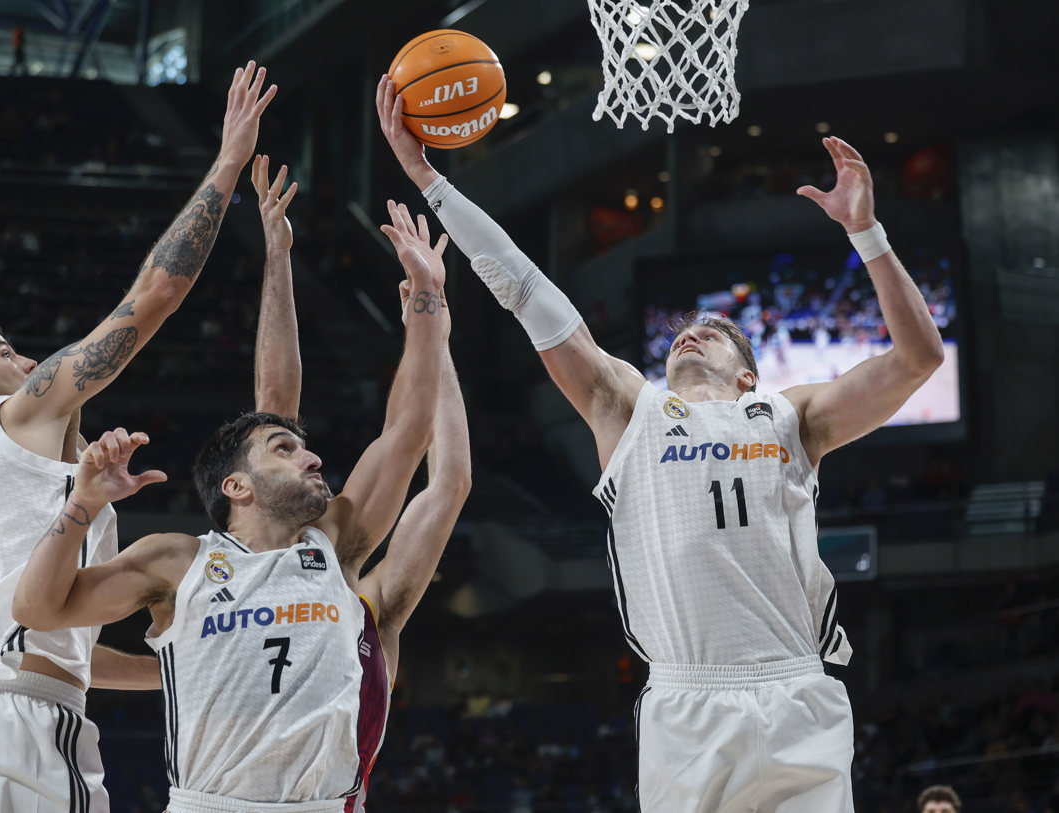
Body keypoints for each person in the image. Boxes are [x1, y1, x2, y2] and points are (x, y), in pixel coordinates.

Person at [377, 77, 945, 812]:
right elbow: (525, 286)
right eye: (683, 330)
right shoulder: (628, 408)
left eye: (713, 330)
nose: (690, 330)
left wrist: (867, 234)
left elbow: (918, 359)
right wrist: (430, 178)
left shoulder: (787, 415)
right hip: (687, 697)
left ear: (747, 375)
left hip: (797, 686)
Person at [0, 63, 277, 813]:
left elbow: (64, 642)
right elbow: (153, 296)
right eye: (4, 351)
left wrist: (179, 663)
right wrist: (227, 162)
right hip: (16, 719)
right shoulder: (21, 418)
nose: (28, 361)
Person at [12, 201, 470, 813]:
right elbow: (36, 610)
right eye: (288, 450)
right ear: (236, 487)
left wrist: (427, 303)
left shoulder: (333, 545)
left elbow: (408, 431)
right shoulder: (177, 562)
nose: (313, 459)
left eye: (307, 451)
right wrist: (83, 503)